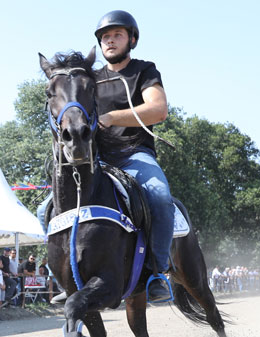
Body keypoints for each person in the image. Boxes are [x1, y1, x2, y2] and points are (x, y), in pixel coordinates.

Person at [93, 10, 173, 301]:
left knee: (160, 196)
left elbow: (158, 110)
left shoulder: (144, 70)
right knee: (46, 210)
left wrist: (112, 117)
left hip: (134, 155)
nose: (110, 41)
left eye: (117, 35)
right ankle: (64, 275)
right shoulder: (90, 78)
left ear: (132, 39)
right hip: (97, 162)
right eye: (105, 37)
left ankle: (157, 273)